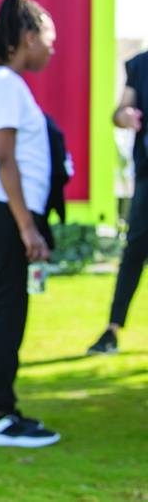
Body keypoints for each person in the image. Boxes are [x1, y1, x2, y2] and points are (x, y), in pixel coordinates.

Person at [0, 0, 61, 447]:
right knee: (8, 311)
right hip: (4, 209)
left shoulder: (1, 83)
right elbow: (5, 160)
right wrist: (27, 226)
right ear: (27, 36)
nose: (51, 48)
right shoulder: (5, 83)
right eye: (48, 38)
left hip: (0, 207)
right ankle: (0, 412)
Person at [86, 47, 148, 355]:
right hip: (147, 176)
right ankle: (112, 330)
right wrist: (125, 116)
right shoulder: (140, 65)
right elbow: (120, 111)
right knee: (135, 250)